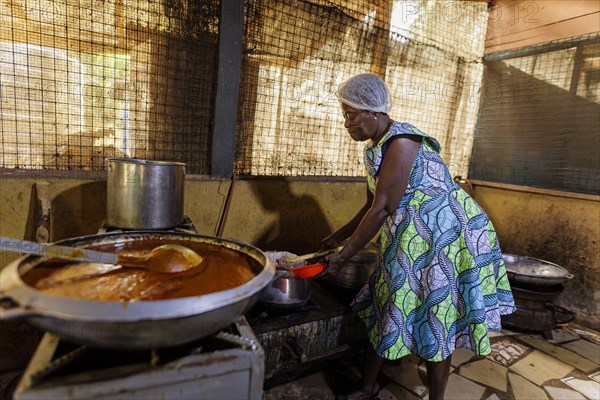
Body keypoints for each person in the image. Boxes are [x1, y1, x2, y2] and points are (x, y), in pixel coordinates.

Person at [319, 73, 516, 400]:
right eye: (344, 116)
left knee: (436, 316)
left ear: (375, 111)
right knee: (388, 304)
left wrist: (343, 255)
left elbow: (382, 209)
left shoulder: (402, 141)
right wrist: (337, 237)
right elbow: (372, 203)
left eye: (352, 115)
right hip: (414, 236)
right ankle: (368, 385)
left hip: (445, 237)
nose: (346, 123)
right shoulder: (376, 147)